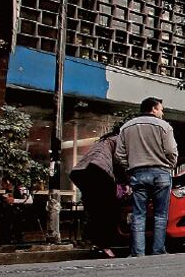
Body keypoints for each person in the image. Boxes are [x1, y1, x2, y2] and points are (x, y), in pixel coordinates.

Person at [116, 97, 178, 256]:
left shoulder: (126, 128)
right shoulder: (165, 127)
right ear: (153, 109)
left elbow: (119, 155)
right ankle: (158, 250)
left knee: (138, 214)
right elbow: (171, 151)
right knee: (160, 215)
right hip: (161, 173)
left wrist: (129, 167)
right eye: (161, 109)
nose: (162, 113)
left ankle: (138, 252)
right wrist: (169, 165)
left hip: (138, 173)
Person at [71, 132, 124, 257]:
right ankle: (105, 246)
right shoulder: (117, 139)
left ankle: (92, 242)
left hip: (80, 172)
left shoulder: (101, 142)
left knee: (93, 210)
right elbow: (119, 160)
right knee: (108, 210)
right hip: (98, 171)